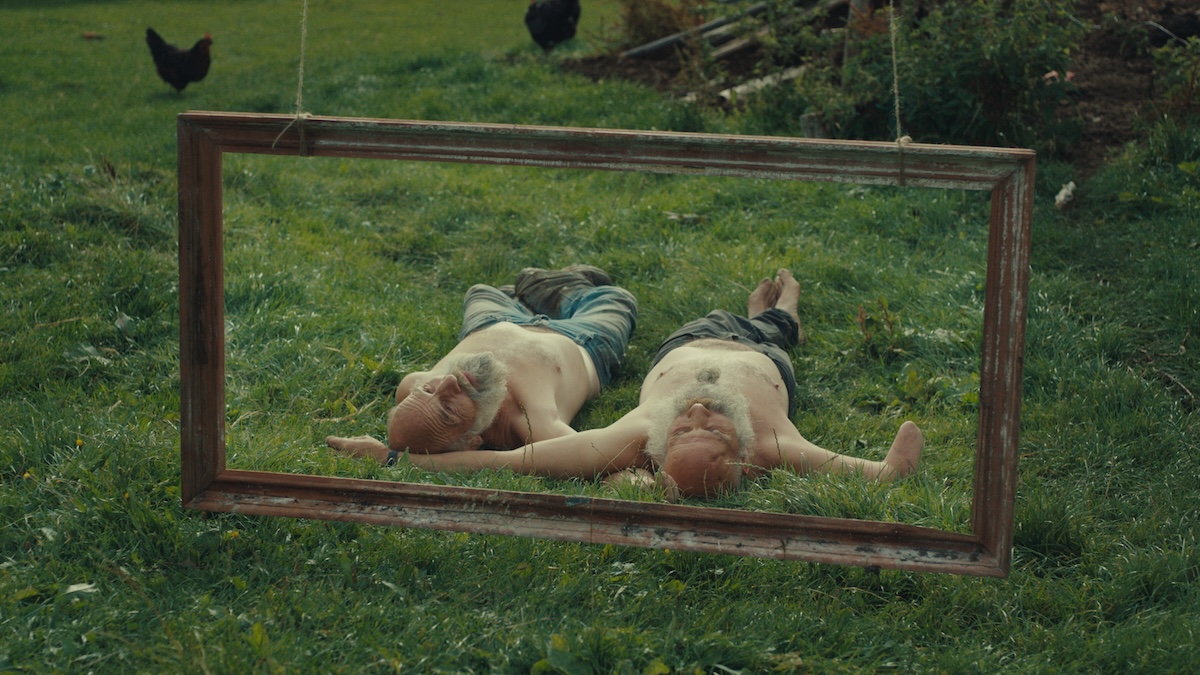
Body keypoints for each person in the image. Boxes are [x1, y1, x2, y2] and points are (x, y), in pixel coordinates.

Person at [333, 269, 922, 500]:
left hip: (683, 346)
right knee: (772, 326)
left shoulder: (639, 431)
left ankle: (764, 312)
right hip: (760, 356)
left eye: (686, 429)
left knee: (713, 320)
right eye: (712, 429)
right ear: (745, 455)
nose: (697, 412)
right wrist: (892, 465)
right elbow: (881, 472)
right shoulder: (774, 444)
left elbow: (517, 464)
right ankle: (780, 313)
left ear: (659, 447)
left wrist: (394, 459)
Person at [325, 265, 637, 458]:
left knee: (480, 291)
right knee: (617, 299)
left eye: (429, 390)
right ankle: (556, 288)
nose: (449, 382)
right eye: (448, 410)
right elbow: (597, 455)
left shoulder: (411, 388)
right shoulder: (530, 423)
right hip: (582, 340)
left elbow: (427, 393)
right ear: (471, 442)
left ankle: (530, 293)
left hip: (490, 322)